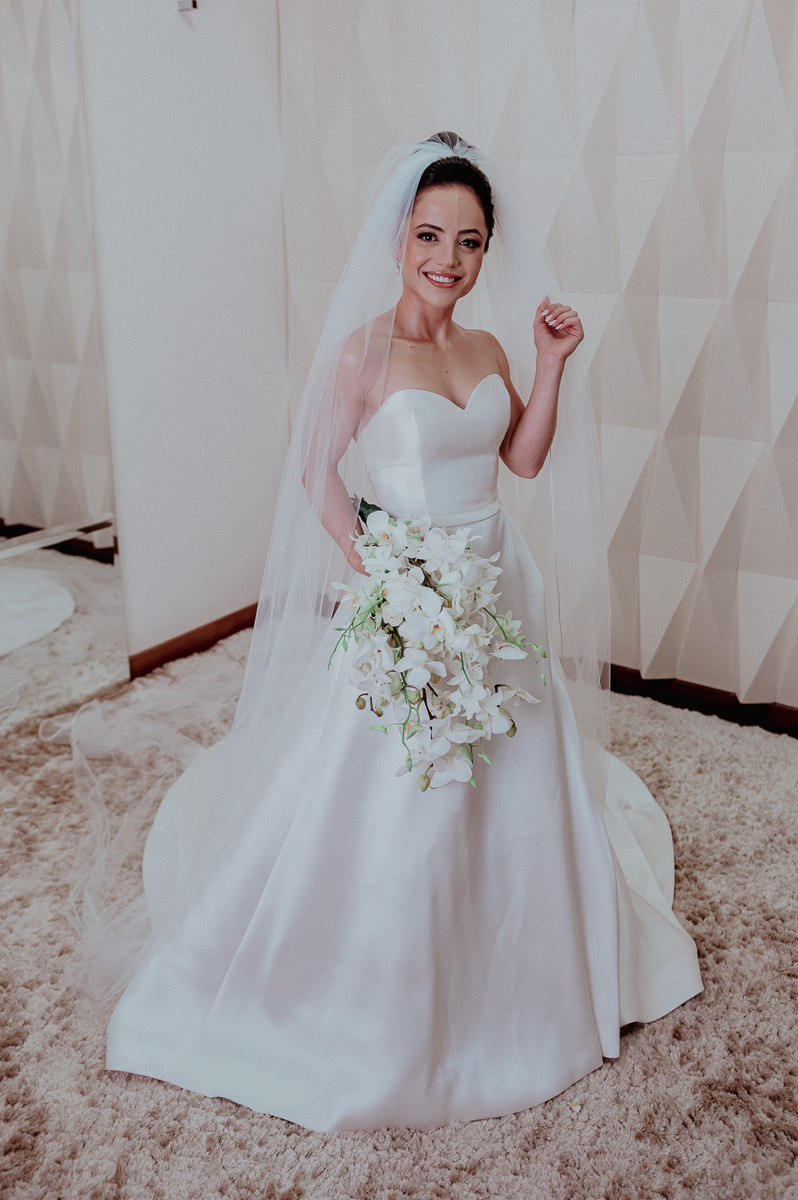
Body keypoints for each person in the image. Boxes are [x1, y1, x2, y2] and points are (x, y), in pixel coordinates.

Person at [101, 133, 703, 1132]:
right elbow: (315, 476)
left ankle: (528, 966)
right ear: (398, 240)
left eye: (469, 242)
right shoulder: (361, 355)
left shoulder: (489, 348)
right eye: (431, 235)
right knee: (402, 793)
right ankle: (401, 996)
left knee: (516, 772)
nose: (449, 259)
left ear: (485, 251)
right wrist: (388, 569)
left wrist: (550, 365)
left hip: (498, 580)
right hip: (413, 594)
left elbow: (522, 457)